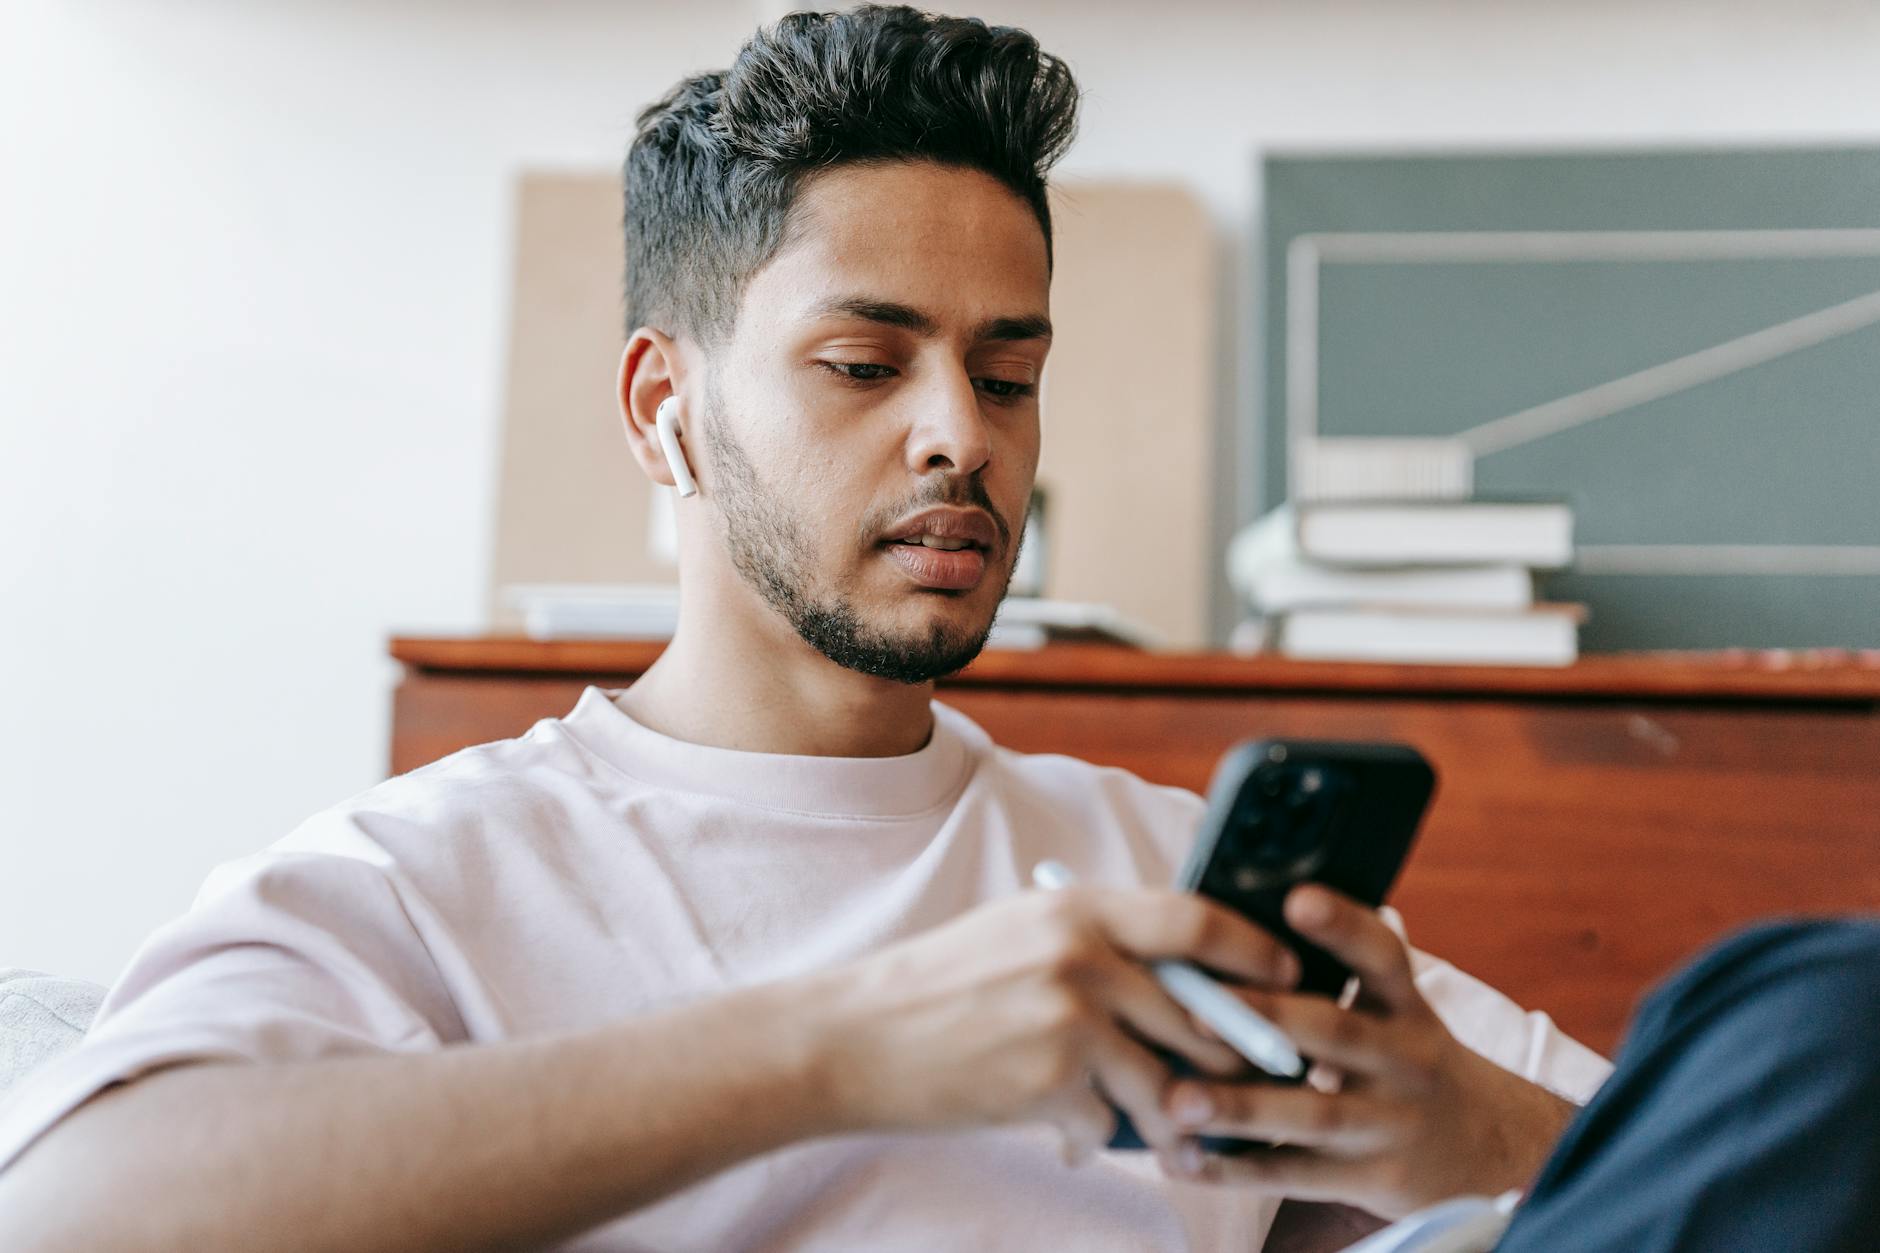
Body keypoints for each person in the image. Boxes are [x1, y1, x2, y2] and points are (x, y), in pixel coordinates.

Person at [0, 9, 1609, 1250]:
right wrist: (855, 1044)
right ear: (665, 408)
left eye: (1007, 373)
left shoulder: (1167, 881)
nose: (959, 438)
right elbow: (63, 1207)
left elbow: (1757, 1173)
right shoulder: (431, 877)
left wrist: (1457, 1125)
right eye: (864, 361)